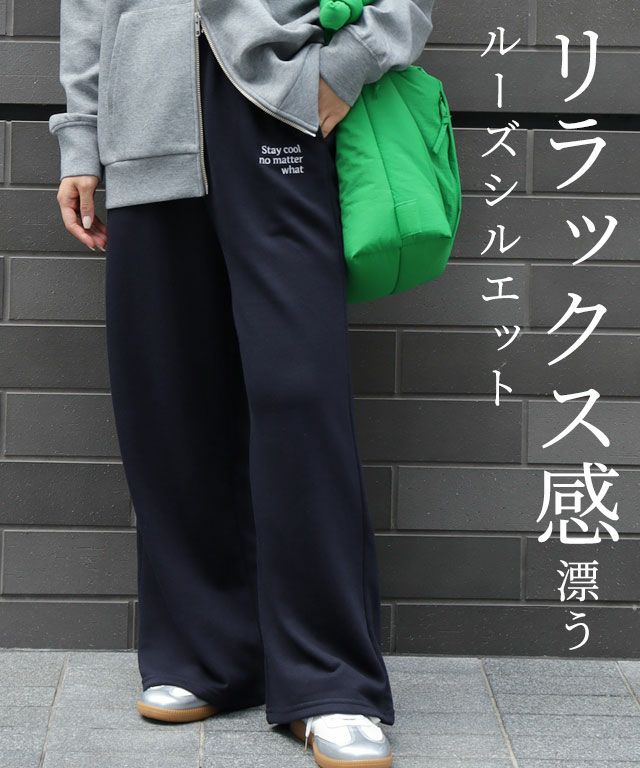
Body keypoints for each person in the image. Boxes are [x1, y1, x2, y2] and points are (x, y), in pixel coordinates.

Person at [49, 2, 435, 766]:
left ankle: (329, 680)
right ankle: (207, 653)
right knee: (168, 392)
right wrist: (82, 136)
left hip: (279, 99)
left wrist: (347, 65)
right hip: (145, 116)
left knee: (301, 395)